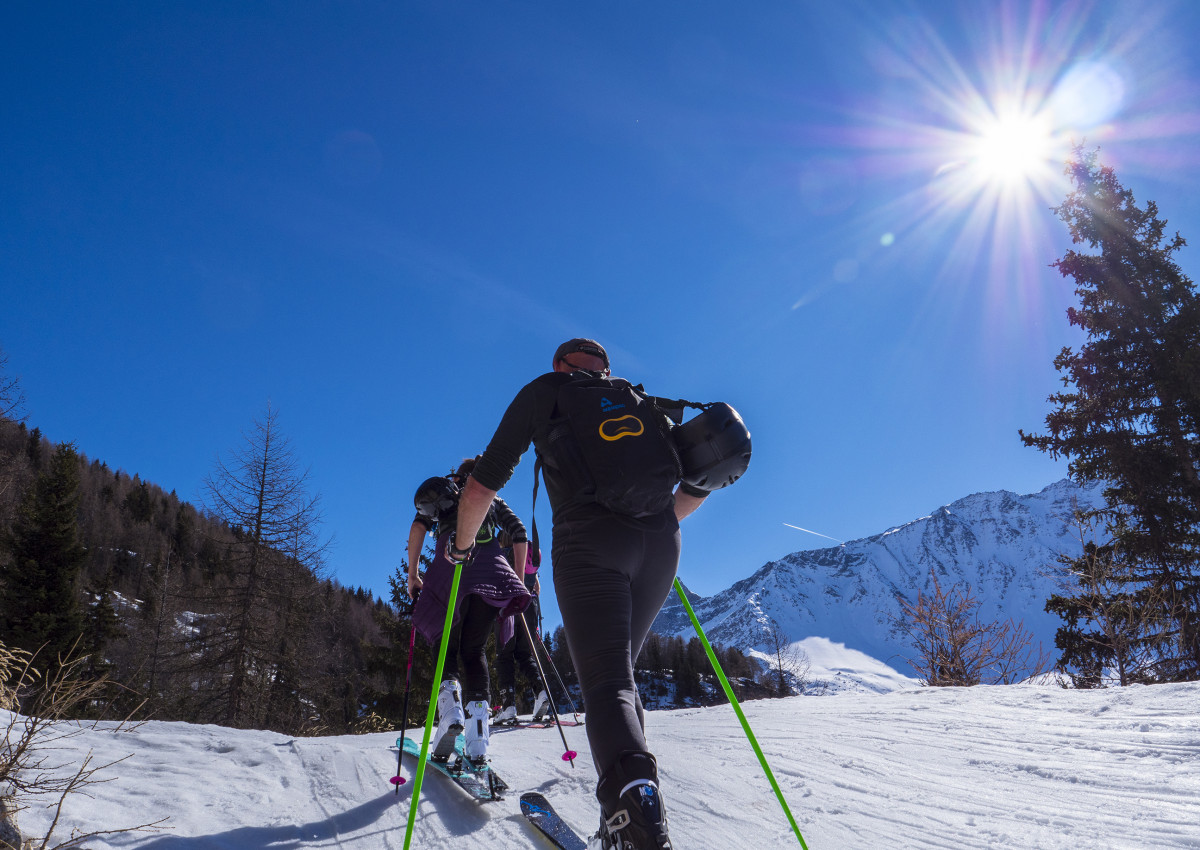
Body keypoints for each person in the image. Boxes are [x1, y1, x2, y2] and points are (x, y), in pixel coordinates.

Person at [451, 339, 709, 850]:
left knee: (609, 684)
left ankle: (639, 831)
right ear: (605, 370)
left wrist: (461, 549)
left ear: (559, 365)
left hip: (589, 543)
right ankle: (619, 822)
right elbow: (698, 484)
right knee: (622, 680)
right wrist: (648, 528)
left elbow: (482, 486)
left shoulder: (547, 390)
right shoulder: (637, 400)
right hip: (662, 544)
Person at [407, 457, 531, 768]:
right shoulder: (492, 497)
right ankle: (477, 737)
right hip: (492, 574)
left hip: (452, 567)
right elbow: (519, 533)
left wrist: (413, 574)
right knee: (474, 651)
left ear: (458, 476)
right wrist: (516, 579)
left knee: (444, 643)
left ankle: (450, 712)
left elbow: (419, 524)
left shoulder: (446, 492)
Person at [493, 535, 549, 725]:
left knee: (504, 656)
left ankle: (508, 705)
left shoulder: (499, 555)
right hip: (529, 606)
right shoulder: (527, 555)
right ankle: (541, 691)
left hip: (507, 608)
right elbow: (537, 589)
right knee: (525, 655)